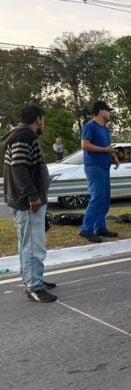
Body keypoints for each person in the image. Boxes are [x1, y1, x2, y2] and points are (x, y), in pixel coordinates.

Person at [1, 104, 57, 302]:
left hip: (25, 201)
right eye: (43, 120)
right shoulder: (24, 137)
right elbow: (19, 169)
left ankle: (34, 279)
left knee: (28, 244)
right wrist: (33, 196)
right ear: (38, 119)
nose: (43, 123)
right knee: (33, 246)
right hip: (28, 203)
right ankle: (34, 286)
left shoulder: (20, 136)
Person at [79, 101, 119, 243]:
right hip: (93, 166)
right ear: (102, 111)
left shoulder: (105, 129)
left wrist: (113, 157)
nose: (110, 114)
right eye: (108, 111)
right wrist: (105, 151)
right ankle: (86, 229)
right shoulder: (90, 126)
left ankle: (100, 228)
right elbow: (85, 145)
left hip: (104, 166)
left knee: (104, 199)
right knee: (97, 198)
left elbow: (107, 146)